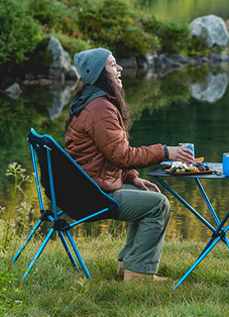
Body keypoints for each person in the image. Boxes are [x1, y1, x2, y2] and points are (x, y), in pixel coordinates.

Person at [65, 48, 194, 282]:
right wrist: (166, 152)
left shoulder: (91, 102)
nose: (120, 68)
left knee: (146, 194)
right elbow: (122, 156)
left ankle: (128, 266)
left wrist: (130, 177)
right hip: (91, 194)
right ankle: (139, 274)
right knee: (158, 205)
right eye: (113, 64)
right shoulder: (100, 108)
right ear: (99, 73)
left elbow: (103, 155)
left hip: (84, 187)